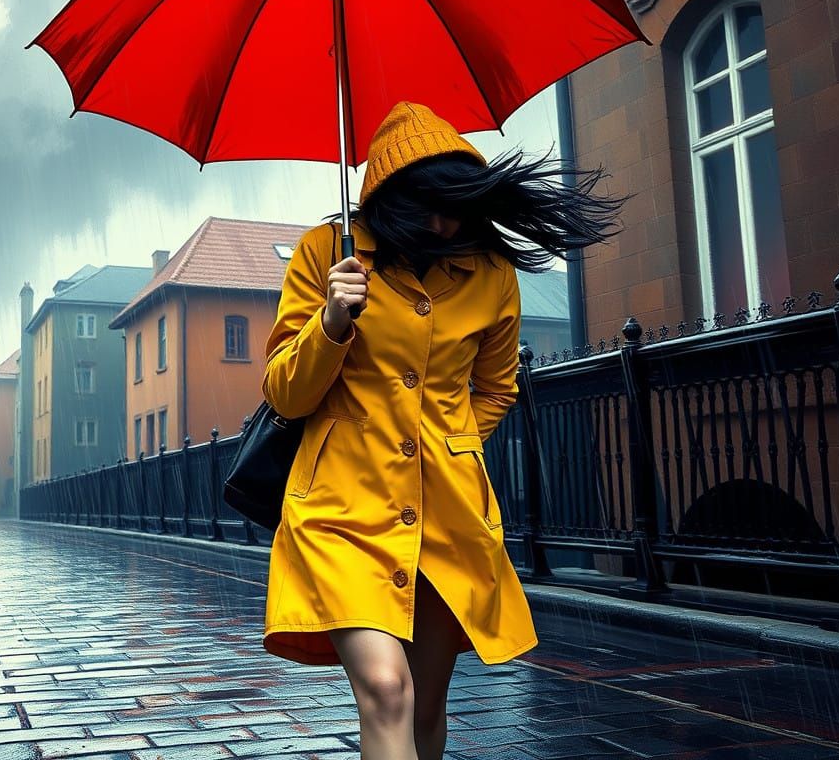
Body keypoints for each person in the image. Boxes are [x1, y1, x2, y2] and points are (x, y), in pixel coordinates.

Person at [262, 101, 621, 760]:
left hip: (444, 510)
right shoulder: (328, 254)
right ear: (388, 201)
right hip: (340, 507)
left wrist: (452, 442)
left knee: (426, 704)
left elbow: (497, 388)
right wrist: (331, 322)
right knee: (385, 689)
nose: (440, 223)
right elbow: (285, 391)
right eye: (425, 207)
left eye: (453, 207)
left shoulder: (490, 273)